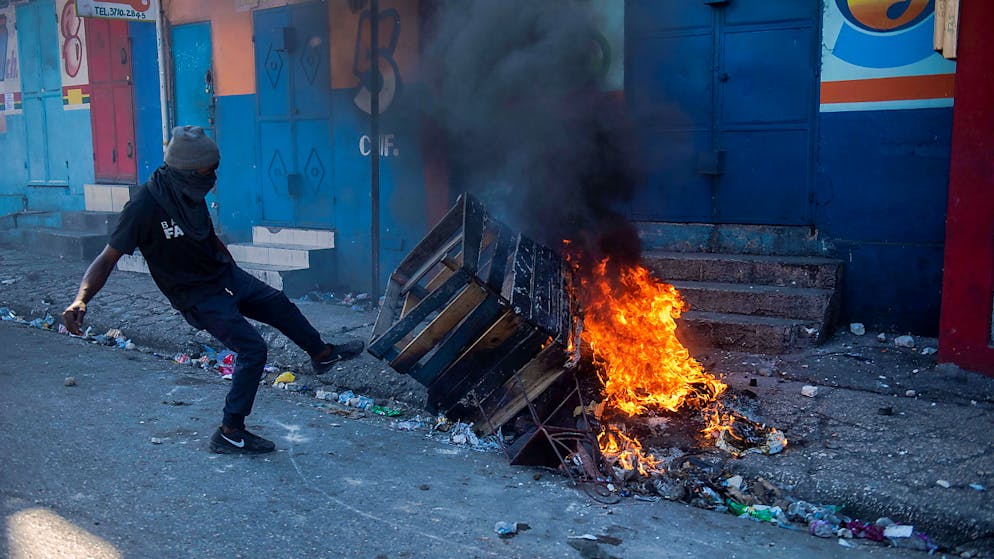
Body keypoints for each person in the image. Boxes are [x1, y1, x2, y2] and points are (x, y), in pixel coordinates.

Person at [62, 125, 363, 455]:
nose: (212, 179)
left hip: (224, 276)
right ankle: (230, 432)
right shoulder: (143, 207)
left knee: (278, 304)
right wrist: (81, 299)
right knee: (253, 350)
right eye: (207, 172)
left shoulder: (189, 191)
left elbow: (203, 232)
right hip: (197, 296)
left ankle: (321, 354)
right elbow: (106, 259)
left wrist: (227, 260)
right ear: (186, 171)